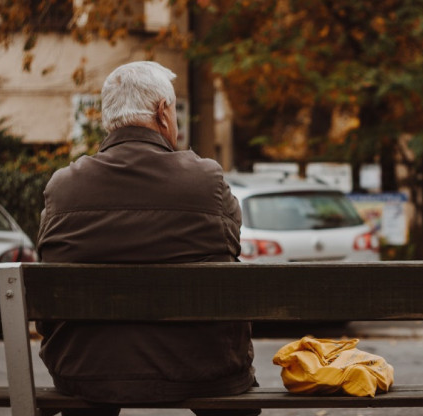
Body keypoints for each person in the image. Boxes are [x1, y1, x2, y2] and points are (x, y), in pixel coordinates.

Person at [36, 61, 257, 416]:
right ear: (162, 112)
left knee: (95, 372)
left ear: (109, 119)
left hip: (86, 370)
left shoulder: (63, 186)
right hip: (202, 367)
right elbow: (231, 250)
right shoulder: (206, 181)